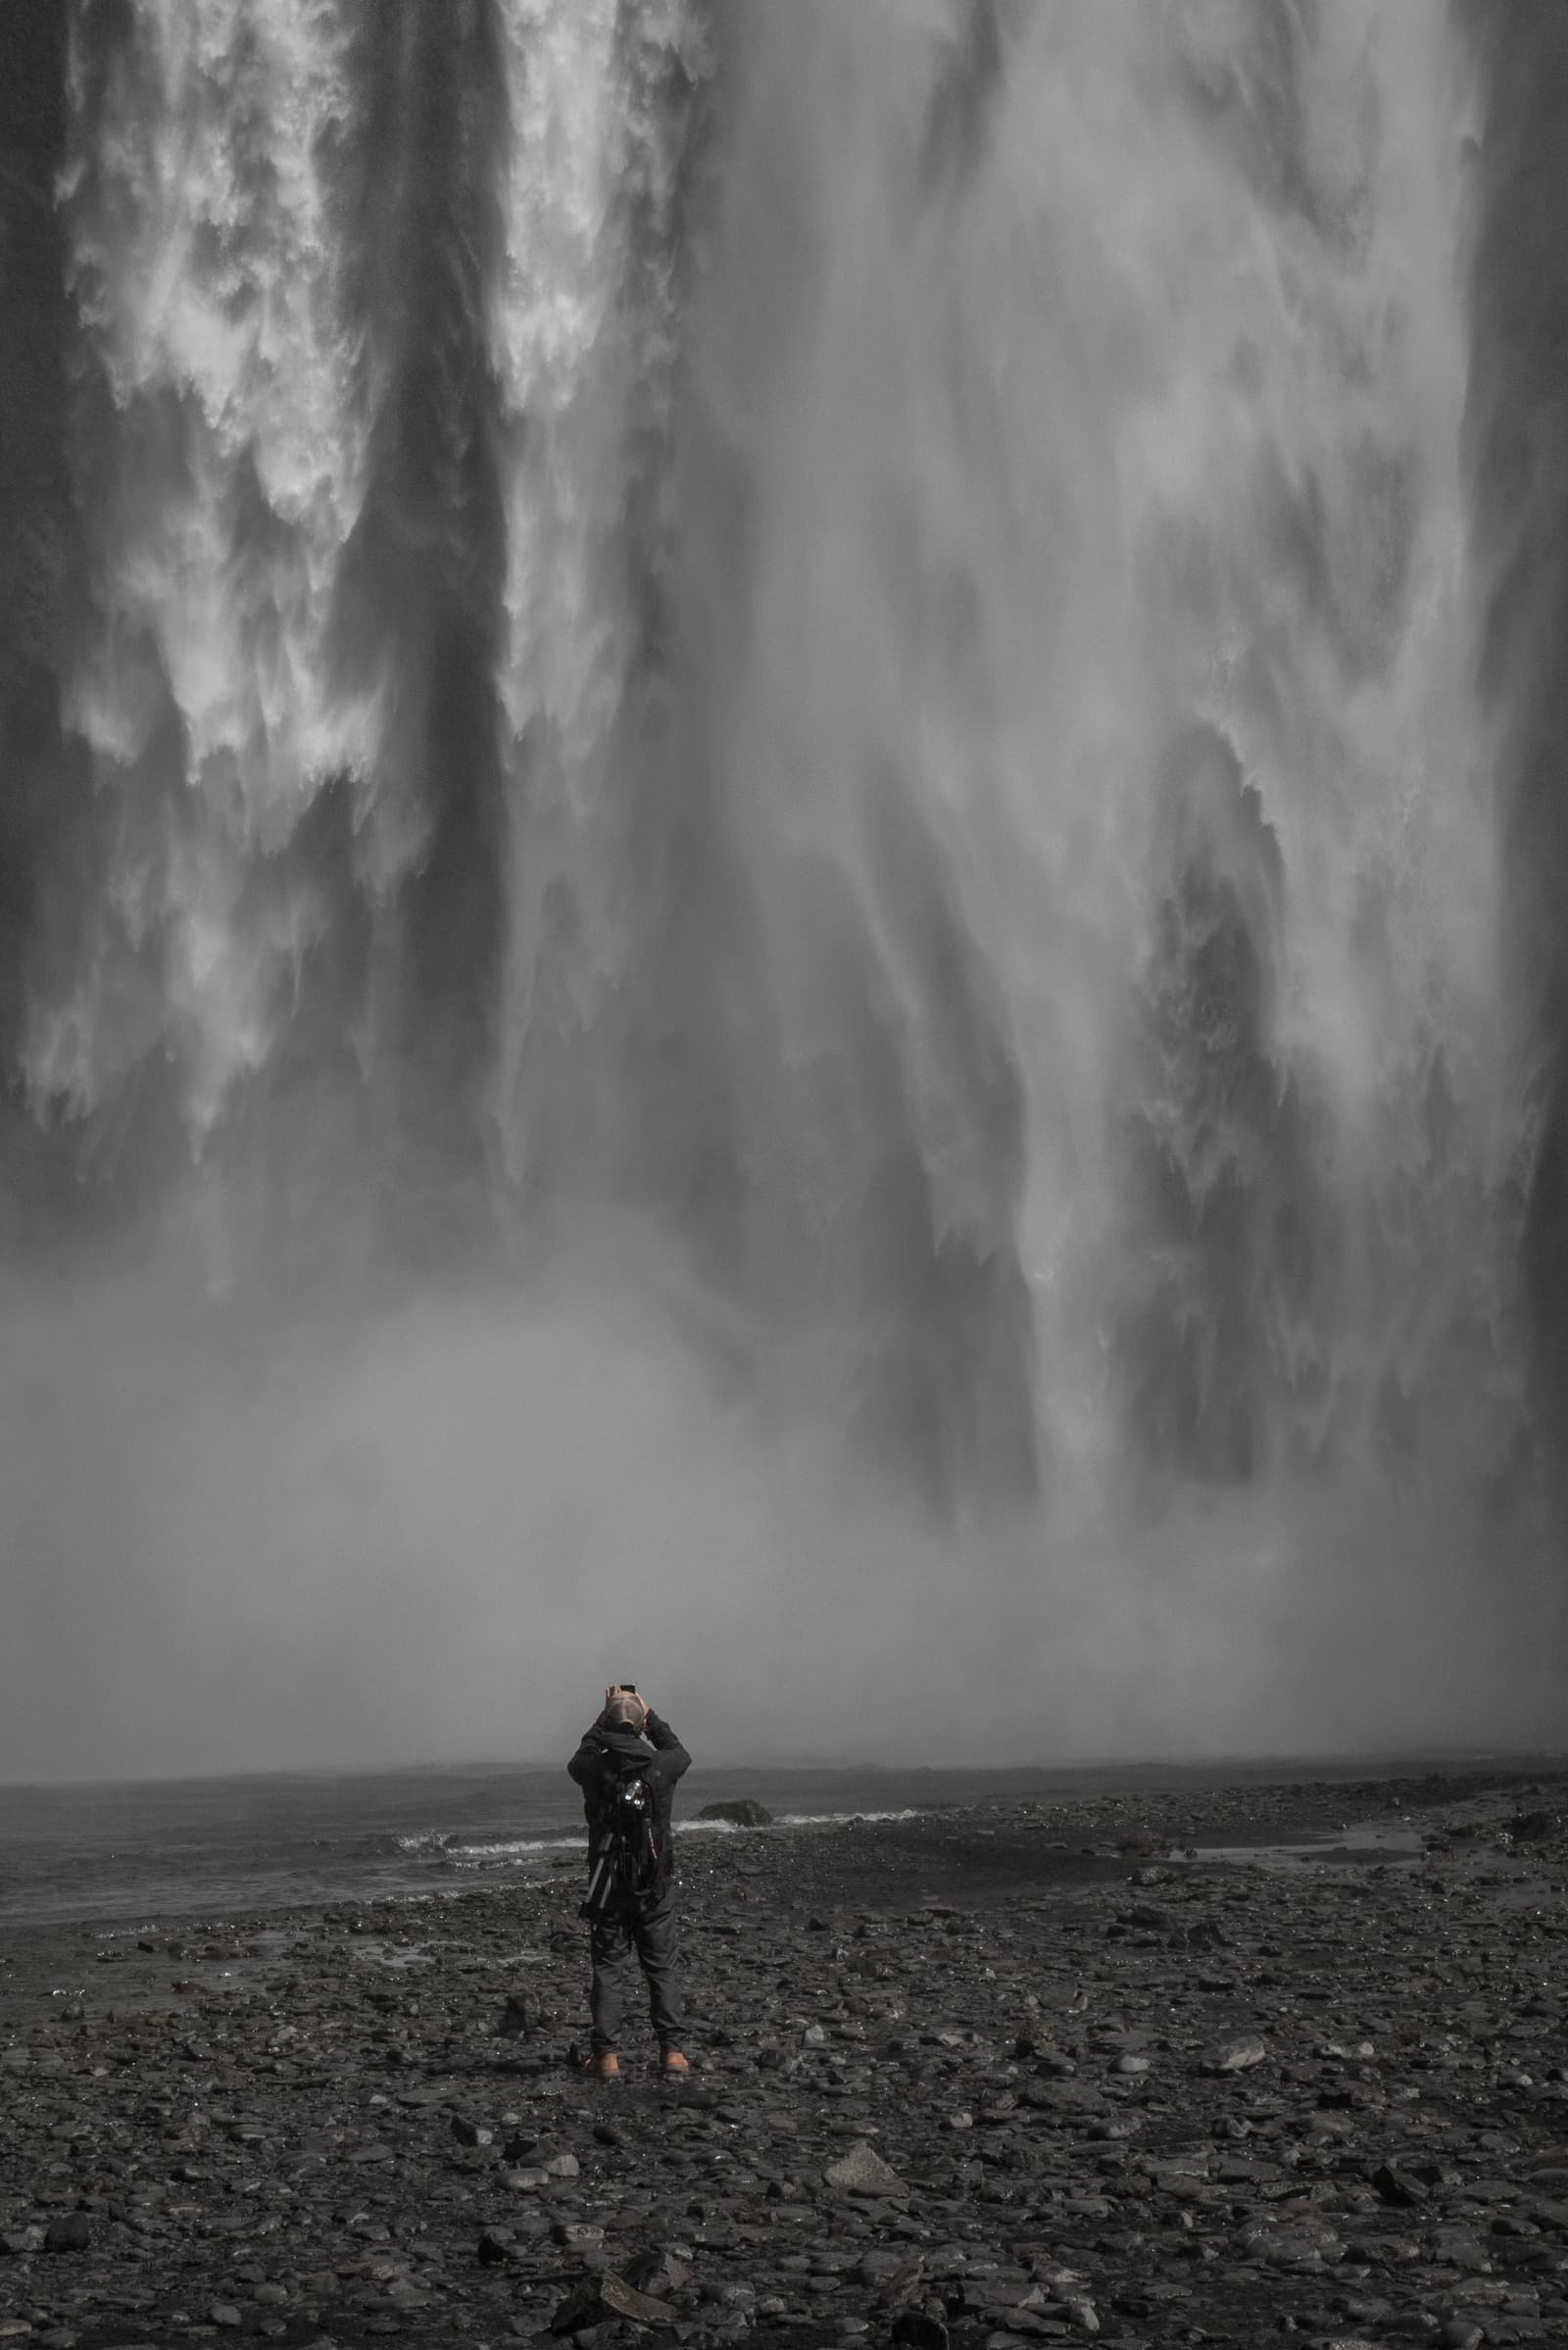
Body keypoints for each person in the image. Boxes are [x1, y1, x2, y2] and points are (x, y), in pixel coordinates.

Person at [567, 1685, 691, 2079]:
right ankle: (671, 2053)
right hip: (654, 1884)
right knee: (662, 1967)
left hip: (608, 1887)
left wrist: (606, 1713)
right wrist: (648, 1714)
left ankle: (607, 2058)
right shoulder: (662, 1766)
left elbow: (581, 1755)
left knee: (608, 1968)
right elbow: (678, 1749)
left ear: (607, 1724)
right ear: (639, 1727)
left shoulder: (593, 1769)